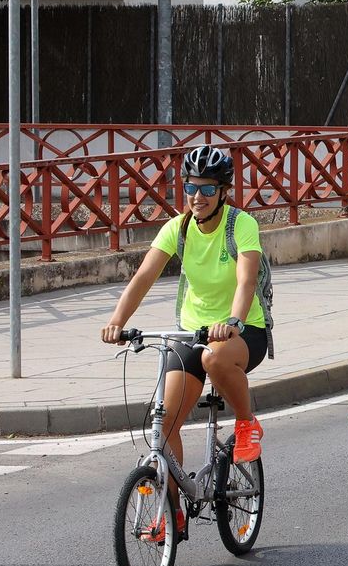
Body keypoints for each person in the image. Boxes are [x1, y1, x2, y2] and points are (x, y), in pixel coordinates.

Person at [100, 146, 269, 540]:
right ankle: (171, 511)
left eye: (207, 189)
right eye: (191, 187)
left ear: (224, 191)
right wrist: (116, 322)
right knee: (167, 416)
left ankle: (247, 423)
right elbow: (143, 277)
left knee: (214, 359)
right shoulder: (177, 227)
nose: (197, 196)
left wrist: (233, 320)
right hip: (190, 331)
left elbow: (246, 281)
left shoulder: (240, 225)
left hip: (243, 331)